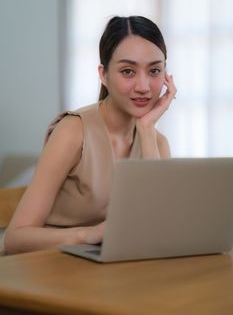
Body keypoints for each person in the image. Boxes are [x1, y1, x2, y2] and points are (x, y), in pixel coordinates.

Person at [3, 15, 177, 255]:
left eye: (155, 70)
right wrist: (89, 234)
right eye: (128, 71)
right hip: (50, 266)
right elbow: (14, 238)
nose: (144, 86)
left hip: (111, 271)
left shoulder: (157, 142)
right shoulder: (73, 131)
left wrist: (146, 130)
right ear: (103, 74)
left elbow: (160, 229)